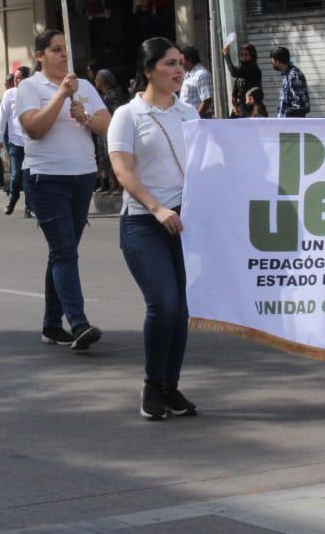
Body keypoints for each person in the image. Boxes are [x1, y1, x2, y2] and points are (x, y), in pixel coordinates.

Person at [108, 38, 200, 420]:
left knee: (181, 310)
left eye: (181, 63)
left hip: (185, 221)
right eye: (169, 64)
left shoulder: (189, 112)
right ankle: (151, 383)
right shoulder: (127, 116)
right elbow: (123, 171)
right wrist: (157, 207)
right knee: (163, 303)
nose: (179, 70)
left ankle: (169, 387)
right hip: (144, 222)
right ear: (148, 70)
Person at [16, 29, 111, 351]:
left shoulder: (83, 86)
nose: (63, 55)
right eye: (56, 50)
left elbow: (108, 125)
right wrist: (61, 96)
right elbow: (35, 128)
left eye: (66, 50)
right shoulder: (29, 88)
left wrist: (84, 115)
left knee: (61, 252)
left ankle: (51, 324)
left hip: (82, 176)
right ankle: (78, 322)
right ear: (40, 55)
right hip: (47, 178)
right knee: (65, 251)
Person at [0, 66, 33, 216]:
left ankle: (29, 206)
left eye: (19, 78)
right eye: (15, 78)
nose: (16, 81)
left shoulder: (33, 93)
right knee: (16, 173)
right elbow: (2, 116)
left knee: (28, 175)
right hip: (15, 141)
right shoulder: (9, 94)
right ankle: (13, 197)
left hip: (31, 141)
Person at [94, 69, 130, 195]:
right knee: (106, 158)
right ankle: (113, 184)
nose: (95, 81)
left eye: (97, 79)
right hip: (105, 130)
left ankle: (120, 185)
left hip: (112, 130)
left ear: (103, 80)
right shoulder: (104, 94)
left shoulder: (113, 94)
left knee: (114, 157)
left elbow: (115, 113)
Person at [222, 42, 262, 110]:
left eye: (246, 55)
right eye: (241, 55)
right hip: (241, 106)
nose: (243, 57)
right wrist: (234, 98)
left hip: (251, 106)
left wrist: (226, 55)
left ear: (252, 56)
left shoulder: (252, 67)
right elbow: (237, 84)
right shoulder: (242, 68)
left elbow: (233, 72)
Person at [270, 47, 310, 118]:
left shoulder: (293, 75)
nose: (271, 63)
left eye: (272, 60)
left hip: (292, 125)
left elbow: (300, 104)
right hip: (287, 124)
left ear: (277, 61)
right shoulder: (288, 75)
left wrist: (286, 114)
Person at [179, 46, 214, 118]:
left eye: (182, 60)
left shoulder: (201, 74)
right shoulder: (188, 74)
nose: (180, 63)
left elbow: (206, 100)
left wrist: (196, 118)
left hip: (200, 119)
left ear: (189, 59)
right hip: (187, 118)